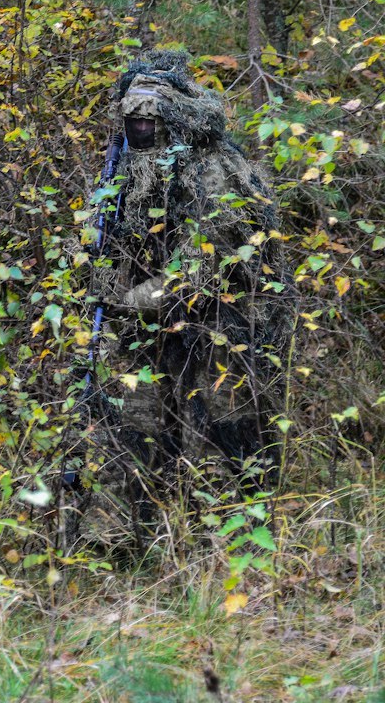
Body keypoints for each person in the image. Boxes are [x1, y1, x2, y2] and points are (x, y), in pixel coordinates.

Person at [85, 50, 293, 541]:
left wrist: (127, 299)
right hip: (155, 316)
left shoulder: (213, 171)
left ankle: (243, 540)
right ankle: (122, 535)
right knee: (135, 416)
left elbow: (199, 270)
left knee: (231, 423)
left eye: (148, 122)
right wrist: (100, 278)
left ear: (171, 121)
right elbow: (110, 239)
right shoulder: (128, 169)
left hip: (235, 316)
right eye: (131, 122)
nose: (139, 130)